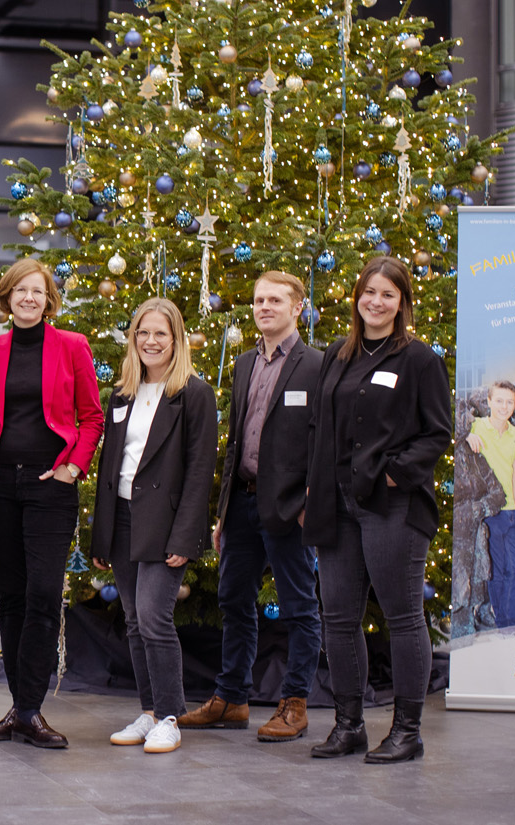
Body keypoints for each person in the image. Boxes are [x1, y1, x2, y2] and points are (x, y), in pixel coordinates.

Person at [303, 255, 451, 764]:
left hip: (392, 506)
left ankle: (407, 731)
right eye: (369, 292)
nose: (377, 302)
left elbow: (437, 434)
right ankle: (349, 726)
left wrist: (392, 472)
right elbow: (320, 431)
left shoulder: (419, 360)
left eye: (388, 294)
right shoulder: (336, 357)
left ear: (402, 303)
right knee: (338, 618)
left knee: (403, 617)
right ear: (357, 298)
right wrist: (313, 495)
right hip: (337, 505)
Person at [0, 258, 102, 749]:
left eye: (37, 292)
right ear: (6, 298)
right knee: (13, 598)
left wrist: (72, 468)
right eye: (20, 290)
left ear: (48, 300)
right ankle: (19, 709)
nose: (28, 298)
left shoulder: (72, 346)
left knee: (43, 596)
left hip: (50, 488)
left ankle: (31, 709)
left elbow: (91, 417)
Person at [179, 271, 322, 742]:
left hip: (289, 508)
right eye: (259, 300)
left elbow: (324, 445)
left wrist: (308, 505)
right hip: (241, 503)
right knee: (232, 600)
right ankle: (233, 698)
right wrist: (222, 511)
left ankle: (294, 702)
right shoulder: (243, 364)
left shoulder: (316, 366)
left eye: (275, 301)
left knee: (300, 607)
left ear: (297, 307)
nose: (264, 308)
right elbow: (236, 441)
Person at [91, 297, 217, 755]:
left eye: (160, 333)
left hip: (165, 523)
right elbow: (111, 466)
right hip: (122, 518)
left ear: (177, 339)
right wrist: (101, 532)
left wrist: (186, 535)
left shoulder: (194, 394)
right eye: (143, 333)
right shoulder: (122, 393)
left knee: (153, 616)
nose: (150, 341)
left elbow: (201, 470)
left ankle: (170, 715)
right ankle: (148, 711)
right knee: (131, 619)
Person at [465, 381, 515, 632]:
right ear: (489, 402)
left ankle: (510, 621)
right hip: (490, 513)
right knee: (498, 570)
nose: (505, 406)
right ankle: (504, 622)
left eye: (510, 402)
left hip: (512, 513)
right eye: (499, 401)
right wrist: (466, 435)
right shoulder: (476, 426)